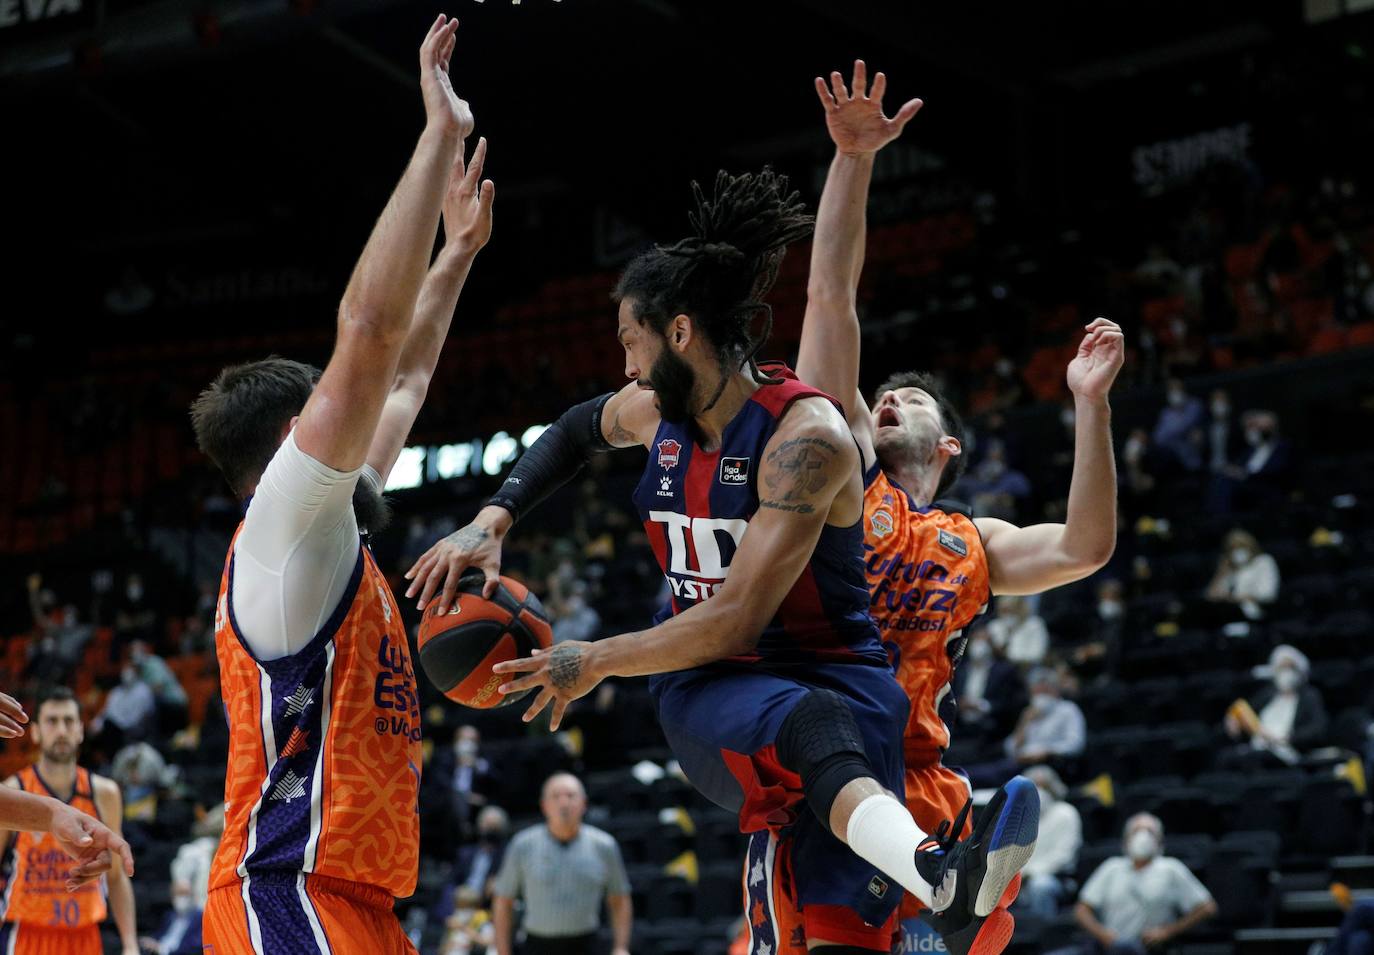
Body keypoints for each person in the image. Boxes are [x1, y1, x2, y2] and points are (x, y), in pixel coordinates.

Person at [749, 61, 1120, 955]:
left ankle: (953, 899)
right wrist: (853, 159)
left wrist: (1090, 404)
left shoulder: (971, 539)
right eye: (884, 392)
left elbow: (1085, 545)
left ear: (947, 445)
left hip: (924, 779)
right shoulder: (846, 479)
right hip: (830, 771)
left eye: (910, 398)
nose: (889, 397)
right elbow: (830, 295)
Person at [188, 16, 494, 952]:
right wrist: (436, 134)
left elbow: (403, 380)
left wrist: (459, 253)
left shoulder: (325, 527)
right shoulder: (283, 525)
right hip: (285, 889)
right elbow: (367, 334)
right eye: (324, 411)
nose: (348, 416)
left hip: (356, 899)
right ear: (292, 440)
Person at [0, 687, 139, 955]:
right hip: (28, 935)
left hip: (85, 936)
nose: (61, 730)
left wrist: (130, 944)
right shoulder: (13, 791)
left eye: (69, 721)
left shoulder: (104, 793)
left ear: (80, 731)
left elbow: (117, 875)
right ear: (36, 731)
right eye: (52, 721)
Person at [491, 774, 631, 955]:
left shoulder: (604, 845)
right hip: (537, 945)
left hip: (587, 944)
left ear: (584, 804)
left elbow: (620, 898)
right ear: (544, 805)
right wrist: (503, 951)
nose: (564, 803)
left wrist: (621, 947)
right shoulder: (523, 844)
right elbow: (503, 901)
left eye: (571, 796)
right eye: (556, 796)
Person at [1062, 814, 1216, 955]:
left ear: (1159, 840)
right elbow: (1081, 910)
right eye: (1136, 831)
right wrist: (1102, 934)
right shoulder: (1111, 867)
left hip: (1148, 947)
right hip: (1109, 946)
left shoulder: (1171, 868)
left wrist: (1167, 932)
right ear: (1126, 840)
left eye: (1149, 831)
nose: (1143, 837)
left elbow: (1207, 908)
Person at [967, 669, 1087, 788]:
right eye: (1037, 691)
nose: (1040, 696)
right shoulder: (1029, 712)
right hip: (1018, 763)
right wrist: (1024, 723)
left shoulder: (1068, 710)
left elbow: (1075, 744)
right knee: (975, 774)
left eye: (1045, 691)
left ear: (1055, 691)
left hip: (1049, 764)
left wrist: (1047, 752)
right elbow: (1010, 749)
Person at [1222, 644, 1328, 768]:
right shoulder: (1267, 694)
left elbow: (1317, 728)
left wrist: (1286, 738)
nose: (1286, 673)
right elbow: (1245, 711)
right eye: (1281, 668)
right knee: (1227, 757)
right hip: (1256, 747)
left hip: (1287, 750)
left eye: (1290, 668)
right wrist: (1233, 720)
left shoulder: (1309, 696)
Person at [1015, 766, 1081, 918]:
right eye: (1034, 786)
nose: (1039, 791)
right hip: (1020, 878)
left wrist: (1031, 873)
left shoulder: (1066, 813)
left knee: (1040, 886)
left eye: (1043, 786)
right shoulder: (1019, 819)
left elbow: (1064, 856)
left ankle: (1043, 933)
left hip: (1057, 878)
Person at [951, 631, 1026, 747]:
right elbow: (951, 695)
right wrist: (958, 704)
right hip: (959, 725)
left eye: (984, 641)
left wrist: (982, 706)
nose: (979, 645)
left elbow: (1010, 703)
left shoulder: (1004, 671)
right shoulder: (959, 669)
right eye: (977, 640)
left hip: (990, 727)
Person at [1203, 529, 1280, 622]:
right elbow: (1211, 597)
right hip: (1227, 615)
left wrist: (1235, 599)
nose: (1237, 551)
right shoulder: (1229, 568)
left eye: (1241, 546)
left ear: (1251, 547)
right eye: (1232, 548)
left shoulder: (1263, 562)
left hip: (1255, 614)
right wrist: (1221, 573)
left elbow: (1267, 594)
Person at [138, 860, 202, 955]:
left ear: (193, 895)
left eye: (185, 894)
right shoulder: (169, 915)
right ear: (172, 896)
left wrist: (161, 949)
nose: (182, 898)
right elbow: (158, 936)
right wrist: (149, 941)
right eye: (178, 894)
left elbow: (195, 947)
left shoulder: (200, 917)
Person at [984, 596, 1051, 670]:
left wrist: (1014, 659)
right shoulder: (994, 626)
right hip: (998, 668)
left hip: (1027, 669)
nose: (1007, 614)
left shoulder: (1035, 624)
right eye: (1004, 610)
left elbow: (1038, 653)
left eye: (1011, 610)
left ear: (1020, 609)